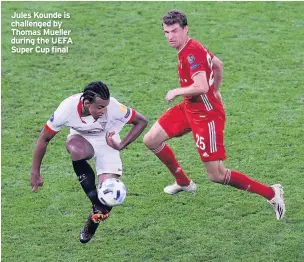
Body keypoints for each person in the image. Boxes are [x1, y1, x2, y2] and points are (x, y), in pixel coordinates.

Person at [143, 10, 285, 220]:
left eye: (174, 31)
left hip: (206, 116)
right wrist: (216, 88)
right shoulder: (191, 47)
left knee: (216, 175)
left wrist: (177, 91)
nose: (170, 36)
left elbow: (200, 86)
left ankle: (272, 193)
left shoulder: (191, 54)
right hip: (189, 108)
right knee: (151, 139)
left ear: (185, 29)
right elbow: (218, 64)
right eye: (166, 32)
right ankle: (183, 182)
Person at [30, 81, 148, 243]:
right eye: (99, 107)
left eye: (105, 107)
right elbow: (44, 138)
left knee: (110, 193)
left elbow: (142, 121)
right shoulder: (67, 109)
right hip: (81, 139)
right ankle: (95, 202)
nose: (104, 111)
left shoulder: (113, 107)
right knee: (77, 150)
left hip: (108, 142)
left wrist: (121, 144)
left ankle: (93, 221)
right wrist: (35, 171)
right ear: (86, 103)